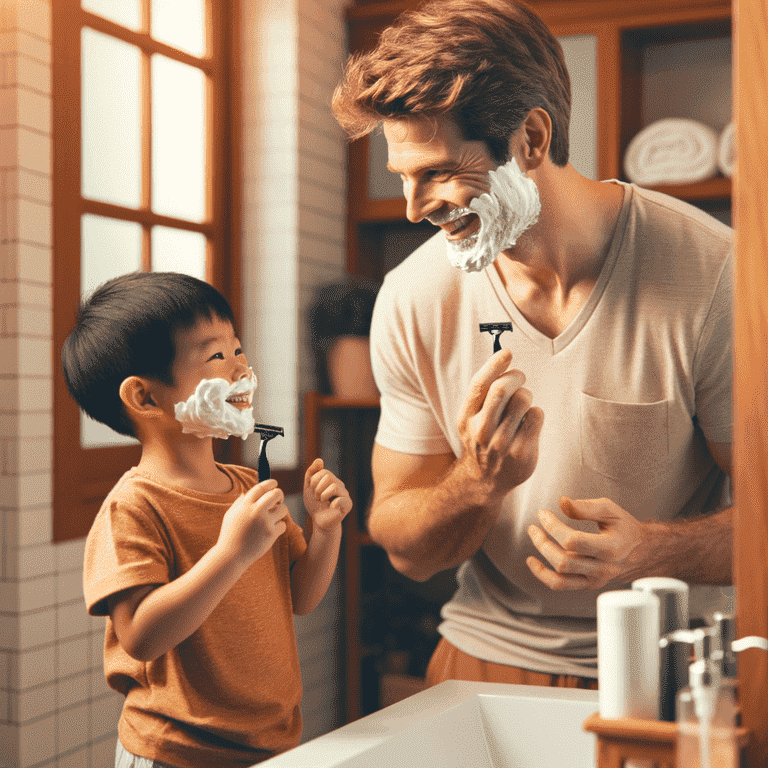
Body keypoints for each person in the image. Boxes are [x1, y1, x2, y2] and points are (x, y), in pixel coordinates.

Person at [332, 0, 733, 690]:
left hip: (671, 665)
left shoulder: (714, 273)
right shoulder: (412, 296)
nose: (413, 206)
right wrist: (477, 484)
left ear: (531, 139)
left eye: (435, 172)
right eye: (403, 176)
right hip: (484, 658)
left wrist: (651, 551)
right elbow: (405, 549)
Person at [63, 271, 353, 767]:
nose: (241, 368)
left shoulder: (245, 486)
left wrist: (326, 529)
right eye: (216, 356)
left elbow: (300, 597)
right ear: (145, 398)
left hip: (268, 744)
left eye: (238, 349)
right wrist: (231, 553)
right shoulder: (132, 507)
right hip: (174, 753)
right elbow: (141, 637)